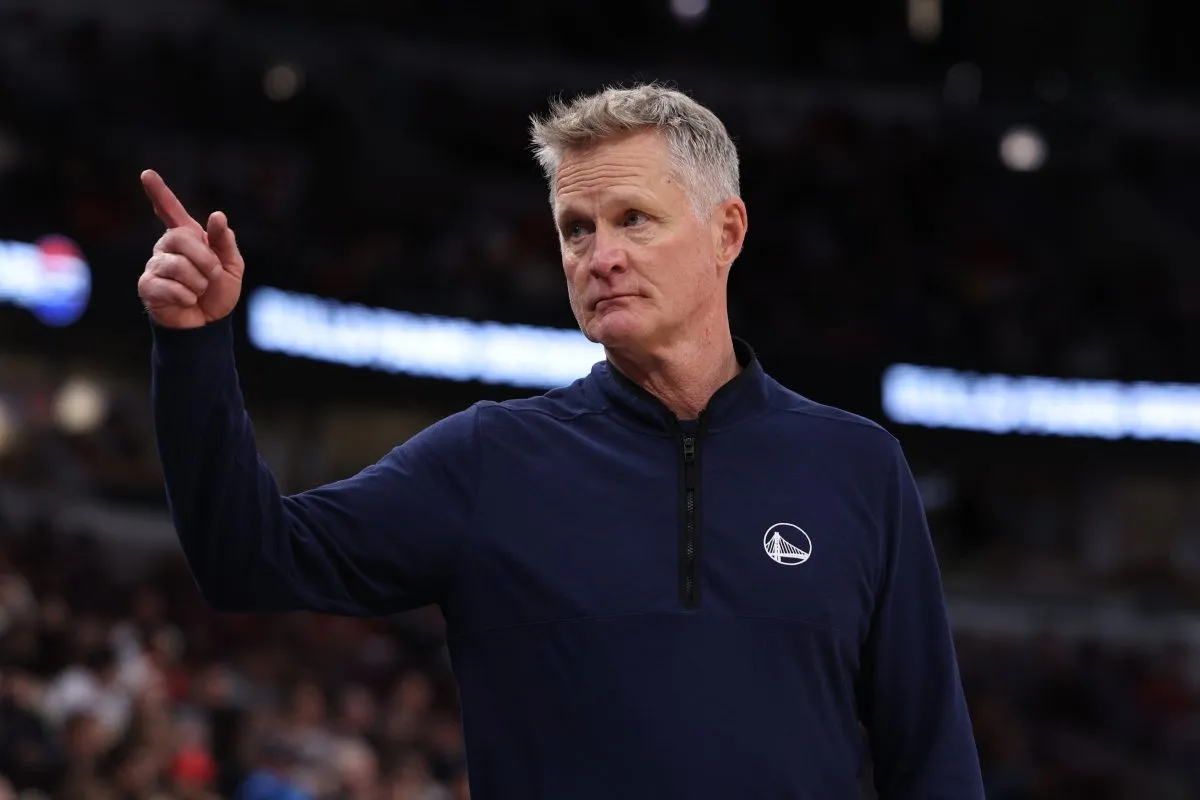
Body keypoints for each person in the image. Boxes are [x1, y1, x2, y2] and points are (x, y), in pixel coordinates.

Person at [137, 83, 985, 798]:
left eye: (633, 219)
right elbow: (247, 557)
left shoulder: (857, 467)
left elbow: (932, 760)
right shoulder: (488, 459)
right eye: (577, 229)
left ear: (727, 232)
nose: (600, 255)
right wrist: (194, 349)